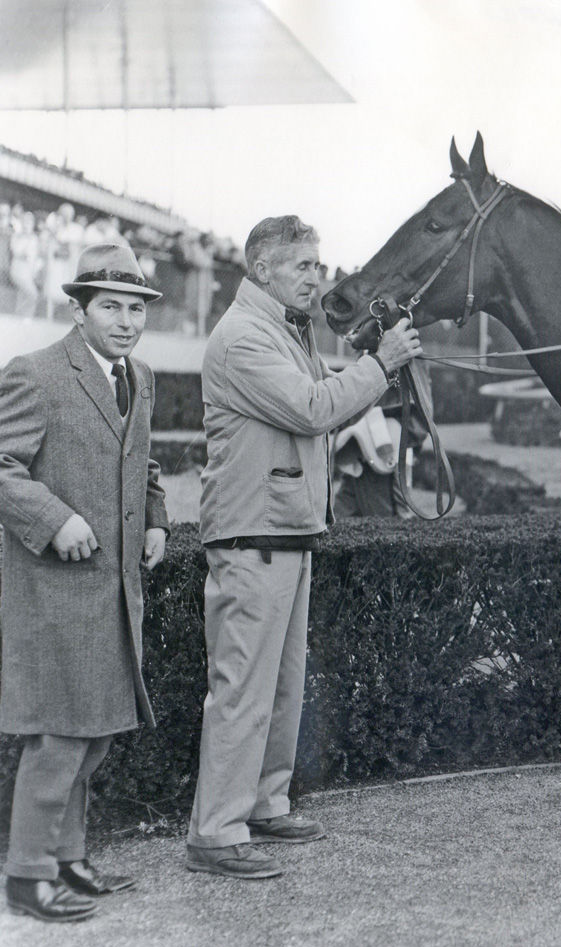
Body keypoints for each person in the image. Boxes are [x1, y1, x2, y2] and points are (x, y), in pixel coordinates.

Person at [185, 215, 422, 879]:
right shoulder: (243, 337)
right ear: (262, 270)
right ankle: (215, 831)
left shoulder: (284, 331)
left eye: (317, 265)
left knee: (282, 687)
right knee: (243, 689)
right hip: (252, 535)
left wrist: (378, 366)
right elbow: (313, 408)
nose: (317, 277)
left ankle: (263, 803)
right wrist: (382, 364)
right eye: (302, 267)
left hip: (284, 531)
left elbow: (328, 403)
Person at [0, 243, 169, 921]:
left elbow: (145, 462)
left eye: (136, 309)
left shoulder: (139, 377)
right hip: (56, 591)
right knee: (61, 734)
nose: (126, 321)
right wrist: (56, 519)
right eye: (111, 307)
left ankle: (68, 859)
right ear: (79, 308)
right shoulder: (35, 374)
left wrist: (156, 521)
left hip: (115, 591)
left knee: (94, 732)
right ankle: (27, 876)